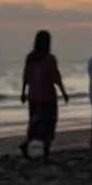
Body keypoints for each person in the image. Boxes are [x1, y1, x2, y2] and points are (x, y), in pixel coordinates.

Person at [20, 30, 68, 161]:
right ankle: (46, 152)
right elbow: (55, 77)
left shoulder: (30, 58)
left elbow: (26, 76)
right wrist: (63, 92)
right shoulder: (49, 59)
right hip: (47, 97)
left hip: (33, 96)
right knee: (49, 124)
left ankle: (27, 143)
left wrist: (23, 92)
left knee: (35, 123)